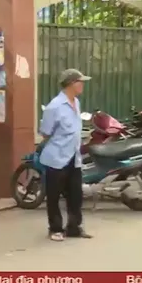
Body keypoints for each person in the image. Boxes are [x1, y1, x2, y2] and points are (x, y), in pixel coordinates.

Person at [40, 68, 93, 241]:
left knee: (75, 194)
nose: (82, 84)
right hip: (57, 157)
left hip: (73, 157)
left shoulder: (76, 103)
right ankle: (55, 228)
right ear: (71, 84)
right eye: (80, 81)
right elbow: (45, 131)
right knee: (54, 195)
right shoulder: (54, 106)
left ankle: (74, 227)